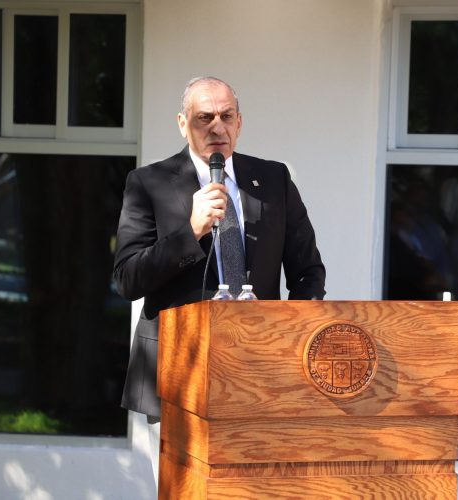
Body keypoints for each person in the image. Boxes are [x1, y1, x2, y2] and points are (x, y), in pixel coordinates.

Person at [112, 76, 326, 481]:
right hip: (180, 371)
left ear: (239, 123)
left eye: (227, 117)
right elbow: (128, 279)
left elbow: (308, 272)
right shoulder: (148, 183)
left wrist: (290, 337)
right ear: (182, 124)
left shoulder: (274, 179)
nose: (217, 127)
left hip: (259, 370)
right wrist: (190, 230)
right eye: (204, 118)